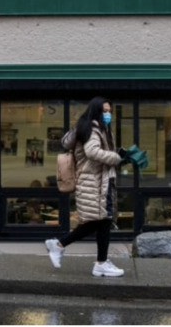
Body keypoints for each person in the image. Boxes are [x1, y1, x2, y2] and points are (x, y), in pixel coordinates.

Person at [45, 97, 126, 277]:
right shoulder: (93, 130)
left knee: (101, 221)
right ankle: (96, 261)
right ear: (96, 111)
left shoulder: (94, 128)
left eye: (109, 111)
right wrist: (116, 158)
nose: (108, 114)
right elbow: (92, 152)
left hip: (96, 182)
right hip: (94, 184)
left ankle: (63, 247)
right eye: (105, 111)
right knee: (101, 220)